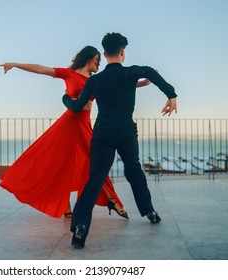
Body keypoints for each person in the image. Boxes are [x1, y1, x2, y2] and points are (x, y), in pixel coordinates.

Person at [0, 46, 151, 219]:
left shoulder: (97, 80)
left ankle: (112, 200)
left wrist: (141, 83)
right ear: (90, 58)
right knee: (61, 163)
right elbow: (41, 69)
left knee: (96, 164)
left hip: (85, 125)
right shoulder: (68, 73)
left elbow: (117, 84)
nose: (98, 65)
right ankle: (67, 205)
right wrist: (15, 64)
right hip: (68, 124)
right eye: (97, 61)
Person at [63, 33, 177, 249]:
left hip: (103, 131)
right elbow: (150, 72)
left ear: (104, 54)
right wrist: (171, 95)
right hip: (125, 130)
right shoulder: (129, 73)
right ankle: (150, 211)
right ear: (122, 52)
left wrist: (65, 99)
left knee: (95, 179)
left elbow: (77, 107)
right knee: (133, 170)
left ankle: (80, 228)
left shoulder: (95, 80)